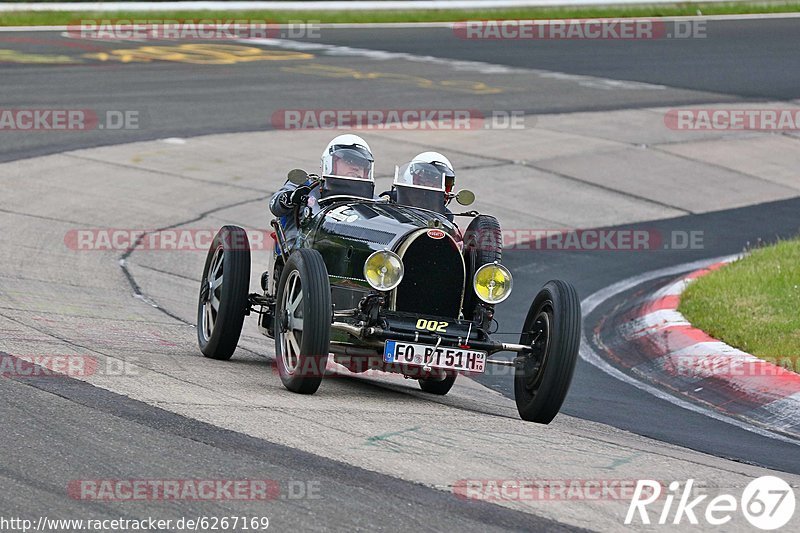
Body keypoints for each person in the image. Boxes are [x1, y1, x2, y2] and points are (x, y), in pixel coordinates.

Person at [269, 134, 374, 249]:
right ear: (330, 164)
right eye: (350, 161)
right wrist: (290, 198)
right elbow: (274, 205)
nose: (356, 168)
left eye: (362, 164)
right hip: (300, 255)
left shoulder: (373, 200)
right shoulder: (306, 185)